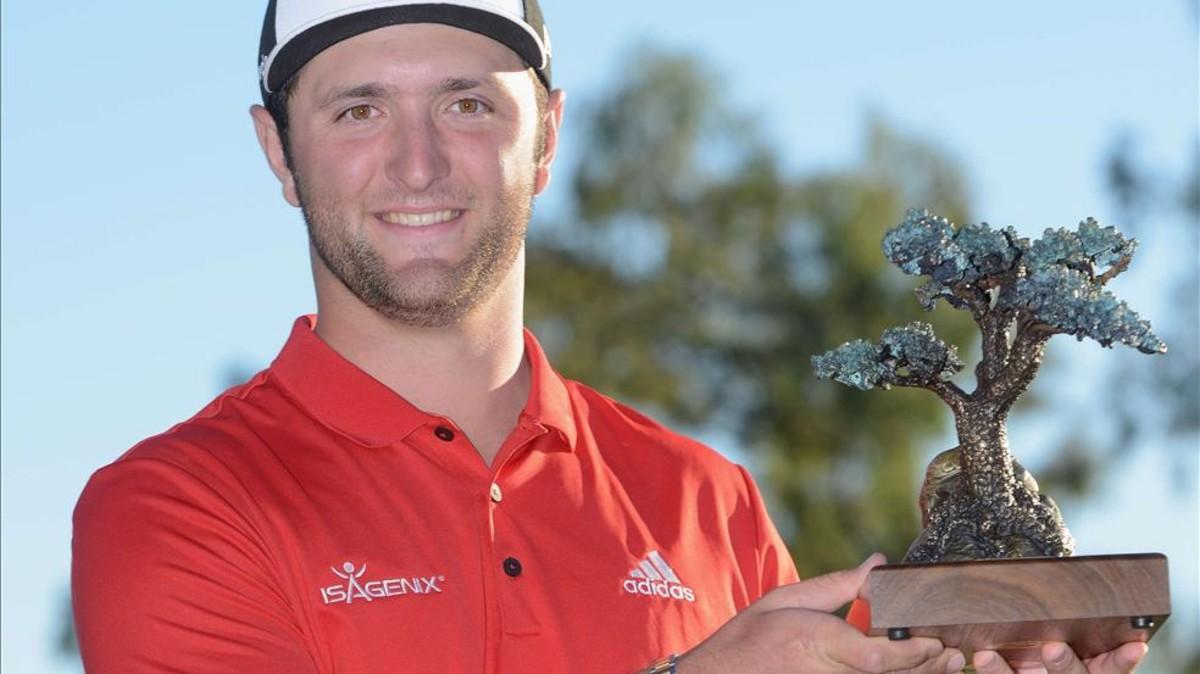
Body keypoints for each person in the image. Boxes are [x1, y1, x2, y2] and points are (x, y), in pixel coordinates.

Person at [70, 1, 1149, 672]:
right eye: (359, 110)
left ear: (546, 136)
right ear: (278, 151)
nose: (416, 163)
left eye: (466, 105)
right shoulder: (176, 507)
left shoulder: (708, 504)